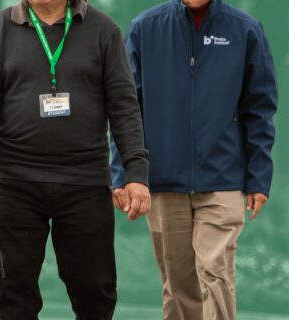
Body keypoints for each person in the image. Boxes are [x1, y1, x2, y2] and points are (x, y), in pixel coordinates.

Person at [0, 0, 151, 319]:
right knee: (14, 291)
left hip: (85, 181)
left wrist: (135, 173)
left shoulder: (103, 30)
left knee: (95, 289)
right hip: (15, 181)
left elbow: (125, 107)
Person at [110, 0, 278, 319]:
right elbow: (126, 110)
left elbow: (260, 110)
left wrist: (258, 176)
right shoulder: (145, 28)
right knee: (178, 284)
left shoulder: (245, 30)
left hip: (223, 178)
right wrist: (124, 173)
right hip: (163, 178)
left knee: (215, 270)